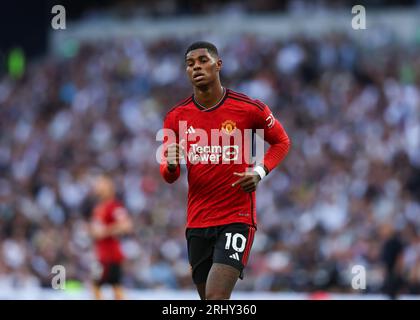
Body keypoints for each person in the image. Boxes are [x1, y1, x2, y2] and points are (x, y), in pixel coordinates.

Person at [160, 41, 291, 299]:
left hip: (236, 217)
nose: (196, 67)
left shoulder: (248, 108)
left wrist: (260, 171)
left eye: (202, 61)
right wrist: (172, 164)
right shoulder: (176, 116)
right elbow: (169, 175)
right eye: (190, 64)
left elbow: (282, 141)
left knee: (216, 299)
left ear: (218, 65)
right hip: (198, 221)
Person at [89, 175, 133, 300]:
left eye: (101, 185)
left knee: (113, 287)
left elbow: (126, 225)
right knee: (98, 285)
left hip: (111, 255)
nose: (98, 187)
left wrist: (105, 232)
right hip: (100, 255)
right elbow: (95, 230)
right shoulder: (98, 208)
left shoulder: (114, 206)